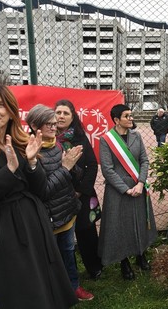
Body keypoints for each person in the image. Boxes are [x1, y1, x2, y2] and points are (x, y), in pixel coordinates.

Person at [0, 85, 77, 308]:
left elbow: (40, 191)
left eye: (0, 105)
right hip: (2, 230)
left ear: (11, 110)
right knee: (20, 290)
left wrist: (31, 163)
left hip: (34, 221)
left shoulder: (21, 142)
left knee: (45, 282)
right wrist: (9, 170)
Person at [26, 104, 94, 301]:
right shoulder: (31, 153)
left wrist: (72, 167)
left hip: (67, 214)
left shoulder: (57, 144)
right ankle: (53, 292)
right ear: (34, 125)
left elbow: (70, 178)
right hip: (49, 219)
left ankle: (74, 287)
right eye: (49, 124)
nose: (54, 127)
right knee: (50, 259)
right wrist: (65, 168)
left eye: (55, 124)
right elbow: (43, 191)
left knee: (69, 253)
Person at [98, 104, 157, 280]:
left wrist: (140, 183)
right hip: (118, 191)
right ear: (116, 120)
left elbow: (145, 161)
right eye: (127, 116)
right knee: (121, 225)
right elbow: (108, 170)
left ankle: (140, 254)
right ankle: (124, 261)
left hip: (138, 187)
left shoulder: (137, 136)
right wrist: (126, 189)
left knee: (140, 221)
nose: (131, 119)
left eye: (131, 115)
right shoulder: (106, 140)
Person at [55, 100, 103, 280]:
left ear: (72, 116)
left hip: (80, 195)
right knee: (62, 238)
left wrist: (80, 191)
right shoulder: (47, 138)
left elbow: (92, 166)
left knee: (86, 232)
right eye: (58, 112)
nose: (61, 116)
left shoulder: (80, 138)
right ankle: (68, 273)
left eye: (65, 113)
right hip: (58, 196)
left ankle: (95, 267)